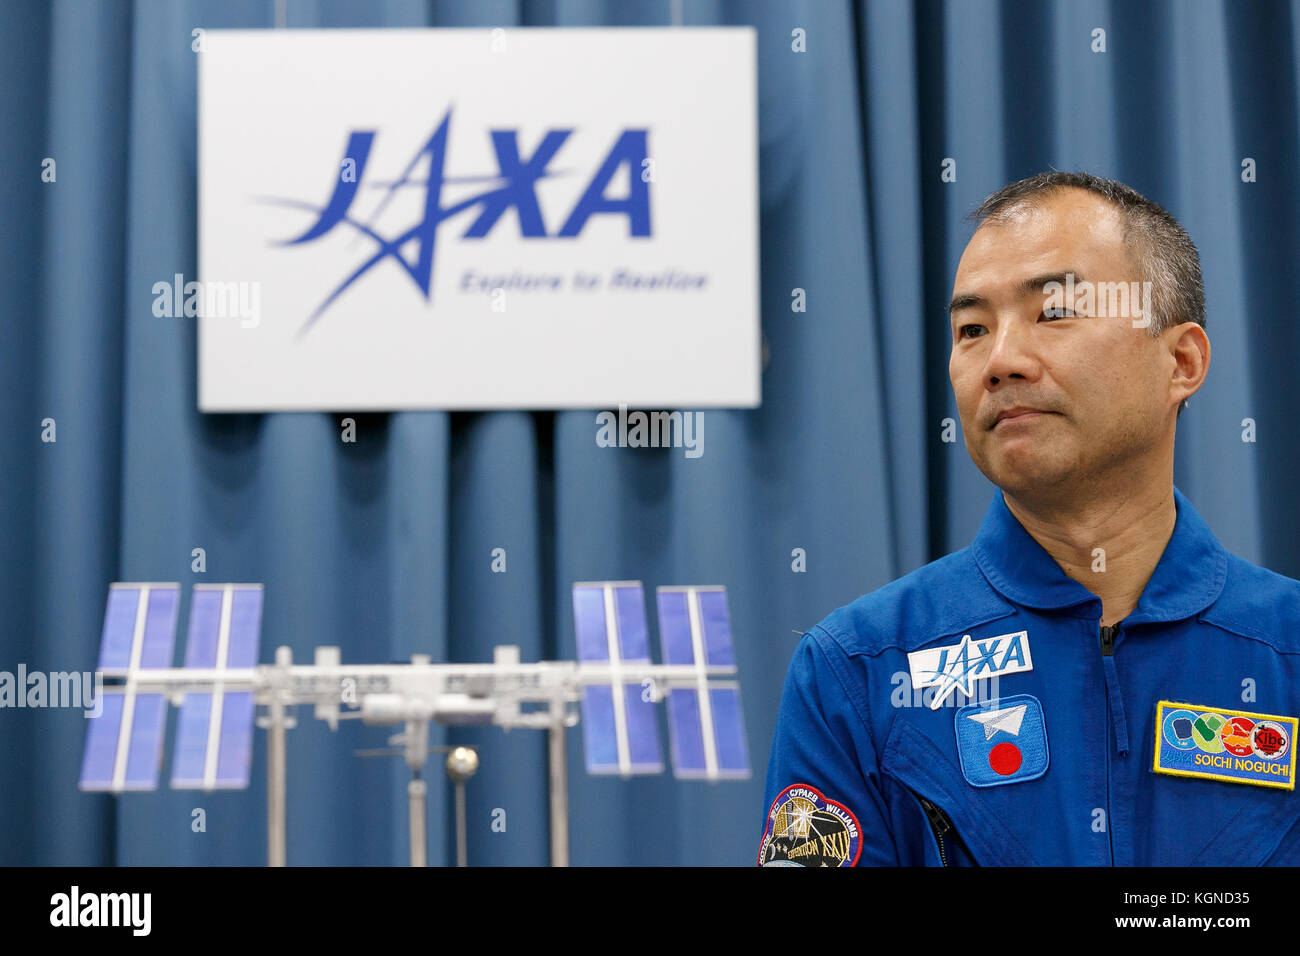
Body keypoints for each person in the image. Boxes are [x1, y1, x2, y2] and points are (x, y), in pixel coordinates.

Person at [758, 171, 1300, 866]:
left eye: (1054, 312)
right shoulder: (858, 671)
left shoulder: (1284, 651)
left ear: (1182, 361)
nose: (1001, 361)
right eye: (972, 329)